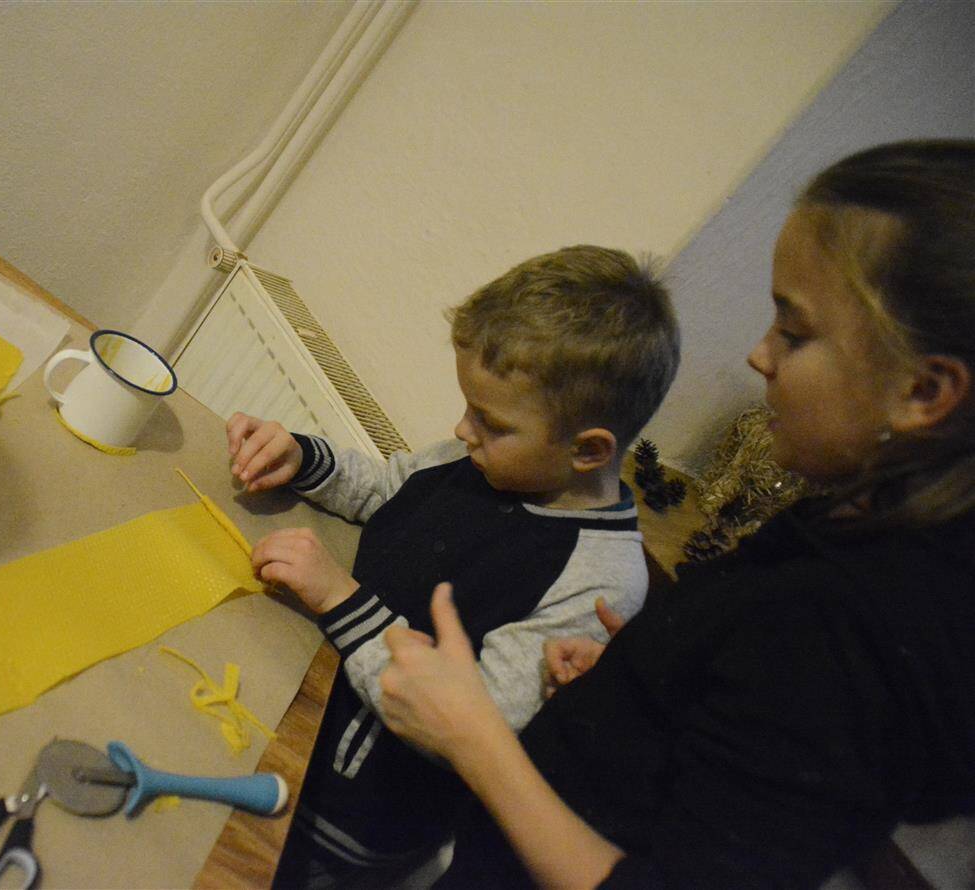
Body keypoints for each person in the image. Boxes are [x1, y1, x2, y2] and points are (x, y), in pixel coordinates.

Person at [377, 139, 975, 889]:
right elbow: (754, 741)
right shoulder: (855, 525)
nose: (759, 356)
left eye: (794, 334)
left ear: (922, 392)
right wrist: (649, 683)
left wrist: (473, 739)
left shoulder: (852, 633)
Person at [225, 245, 681, 888]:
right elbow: (386, 488)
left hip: (345, 816)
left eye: (489, 421)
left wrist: (339, 599)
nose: (463, 430)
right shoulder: (479, 459)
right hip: (293, 699)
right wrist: (302, 458)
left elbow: (472, 721)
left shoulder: (601, 579)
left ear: (587, 450)